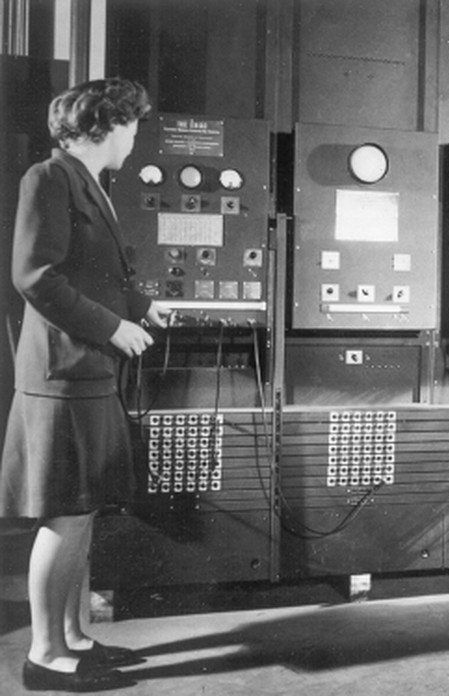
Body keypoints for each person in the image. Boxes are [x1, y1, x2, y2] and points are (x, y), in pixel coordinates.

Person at [0, 77, 172, 691]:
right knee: (65, 514)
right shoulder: (48, 179)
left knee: (84, 509)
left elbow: (93, 271)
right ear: (105, 125)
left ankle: (71, 635)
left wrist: (142, 306)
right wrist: (115, 327)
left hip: (88, 371)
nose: (134, 137)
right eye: (131, 125)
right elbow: (36, 275)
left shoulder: (89, 183)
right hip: (63, 372)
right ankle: (43, 655)